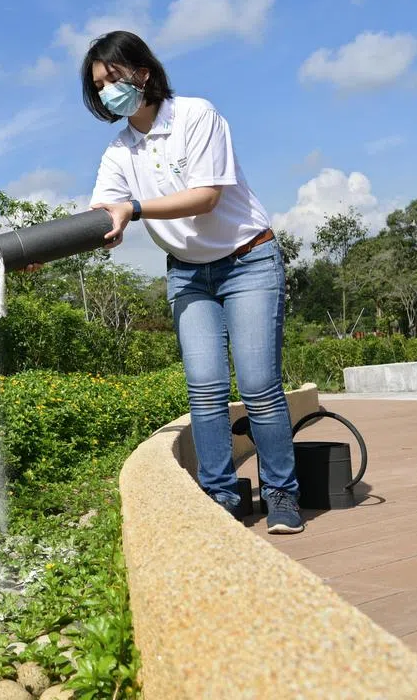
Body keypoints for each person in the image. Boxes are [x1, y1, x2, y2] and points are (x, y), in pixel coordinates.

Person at [82, 30, 304, 534]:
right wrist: (42, 252)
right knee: (204, 389)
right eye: (97, 87)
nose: (106, 92)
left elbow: (204, 197)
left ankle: (282, 494)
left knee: (258, 385)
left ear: (142, 72)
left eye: (112, 79)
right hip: (188, 272)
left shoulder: (196, 116)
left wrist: (133, 208)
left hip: (248, 259)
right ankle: (222, 496)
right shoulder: (120, 151)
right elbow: (102, 214)